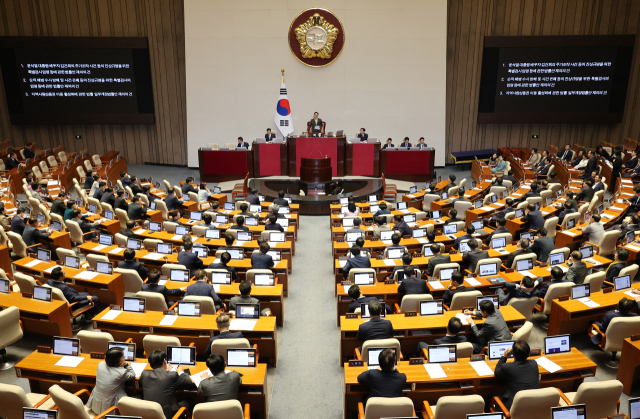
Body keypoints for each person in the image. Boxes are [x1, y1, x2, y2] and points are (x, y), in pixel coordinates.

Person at [140, 349, 196, 419]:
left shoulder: (144, 374)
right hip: (169, 415)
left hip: (149, 414)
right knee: (189, 400)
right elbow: (188, 382)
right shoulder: (171, 375)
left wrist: (164, 371)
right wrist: (181, 372)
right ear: (164, 361)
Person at [86, 347, 135, 414]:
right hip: (109, 411)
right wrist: (126, 365)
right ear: (118, 360)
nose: (124, 357)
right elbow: (132, 374)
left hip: (95, 406)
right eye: (123, 356)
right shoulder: (121, 373)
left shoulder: (100, 365)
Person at [494, 341, 540, 410]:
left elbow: (497, 372)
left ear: (513, 354)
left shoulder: (507, 367)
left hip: (514, 406)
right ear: (529, 354)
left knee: (491, 397)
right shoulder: (533, 363)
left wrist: (504, 356)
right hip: (534, 404)